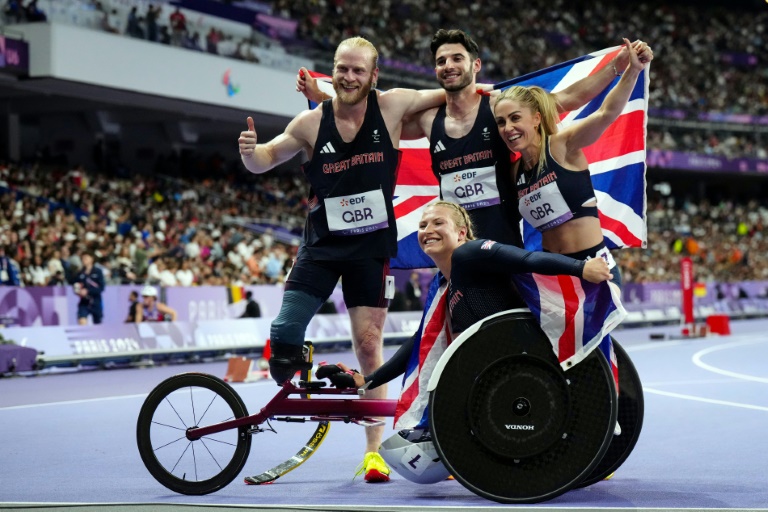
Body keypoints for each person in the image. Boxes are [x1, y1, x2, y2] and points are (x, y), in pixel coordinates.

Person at [238, 36, 447, 482]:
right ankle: (306, 389)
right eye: (341, 69)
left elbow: (453, 91)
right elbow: (266, 158)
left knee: (370, 345)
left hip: (370, 249)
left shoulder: (391, 107)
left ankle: (374, 450)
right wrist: (249, 153)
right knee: (284, 330)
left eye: (357, 70)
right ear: (331, 72)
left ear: (374, 76)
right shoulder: (310, 123)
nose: (348, 77)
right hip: (322, 246)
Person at [299, 29, 653, 247]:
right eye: (441, 61)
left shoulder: (500, 105)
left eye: (457, 58)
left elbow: (566, 100)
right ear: (435, 70)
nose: (449, 65)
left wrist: (619, 66)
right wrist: (328, 97)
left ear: (475, 65)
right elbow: (370, 124)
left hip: (505, 244)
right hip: (459, 249)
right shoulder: (426, 120)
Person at [317, 201, 612, 436]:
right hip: (495, 372)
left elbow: (525, 259)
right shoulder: (442, 285)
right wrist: (368, 380)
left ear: (460, 233)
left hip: (526, 362)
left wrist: (580, 268)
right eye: (422, 225)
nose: (427, 229)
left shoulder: (470, 253)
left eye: (437, 222)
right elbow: (420, 343)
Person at [494, 37, 648, 288]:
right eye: (501, 122)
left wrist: (632, 71)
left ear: (535, 118)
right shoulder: (514, 172)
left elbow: (606, 113)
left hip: (594, 267)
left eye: (514, 118)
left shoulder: (560, 145)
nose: (508, 128)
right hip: (553, 275)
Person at [74, 252, 106, 325]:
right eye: (82, 258)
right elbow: (76, 285)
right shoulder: (80, 272)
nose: (84, 260)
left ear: (91, 259)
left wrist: (88, 291)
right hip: (84, 302)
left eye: (86, 258)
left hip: (96, 301)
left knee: (98, 323)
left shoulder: (98, 272)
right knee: (81, 320)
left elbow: (101, 287)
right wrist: (78, 291)